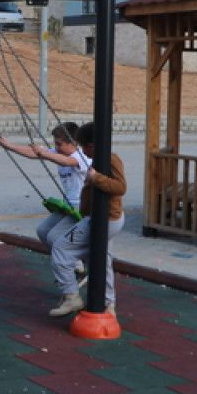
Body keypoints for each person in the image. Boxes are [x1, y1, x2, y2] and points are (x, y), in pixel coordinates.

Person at [48, 122, 127, 317]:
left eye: (83, 146)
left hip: (105, 219)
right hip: (100, 218)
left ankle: (71, 296)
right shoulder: (100, 159)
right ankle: (108, 304)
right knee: (102, 259)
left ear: (91, 145)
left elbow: (120, 187)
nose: (81, 150)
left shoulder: (110, 159)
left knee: (61, 248)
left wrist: (96, 178)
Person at [0, 123, 90, 247]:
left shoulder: (81, 156)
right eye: (55, 144)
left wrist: (44, 153)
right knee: (42, 230)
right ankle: (60, 255)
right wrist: (9, 145)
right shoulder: (59, 153)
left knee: (54, 236)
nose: (56, 147)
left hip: (81, 206)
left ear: (73, 143)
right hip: (68, 205)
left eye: (59, 144)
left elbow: (67, 162)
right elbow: (34, 153)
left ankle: (71, 257)